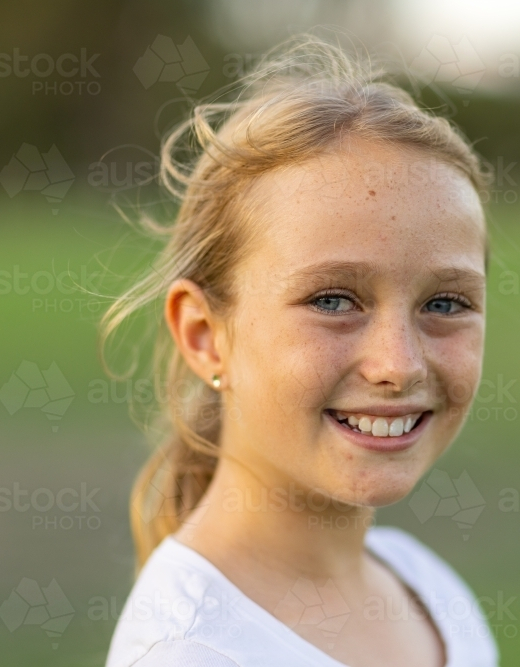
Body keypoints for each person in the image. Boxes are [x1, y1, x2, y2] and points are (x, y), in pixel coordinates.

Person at [102, 34, 498, 667]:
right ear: (205, 336)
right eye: (334, 301)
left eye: (444, 304)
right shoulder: (194, 652)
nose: (398, 364)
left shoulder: (428, 589)